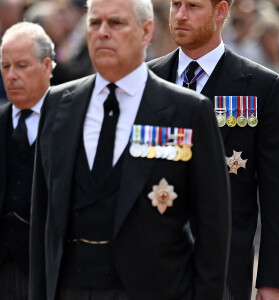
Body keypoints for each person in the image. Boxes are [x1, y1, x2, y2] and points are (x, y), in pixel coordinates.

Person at [29, 0, 231, 299]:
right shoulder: (58, 104)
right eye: (95, 23)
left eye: (116, 23)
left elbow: (213, 228)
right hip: (69, 288)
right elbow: (41, 221)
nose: (103, 33)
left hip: (154, 289)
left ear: (146, 31)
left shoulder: (187, 111)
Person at [147, 1, 279, 300]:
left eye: (193, 5)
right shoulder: (146, 80)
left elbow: (277, 192)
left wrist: (273, 279)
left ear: (221, 10)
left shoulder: (261, 86)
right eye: (176, 4)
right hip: (151, 267)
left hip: (224, 268)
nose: (181, 15)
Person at [0, 21, 55, 299]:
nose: (11, 76)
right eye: (5, 66)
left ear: (47, 66)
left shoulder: (69, 124)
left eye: (21, 66)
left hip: (49, 274)